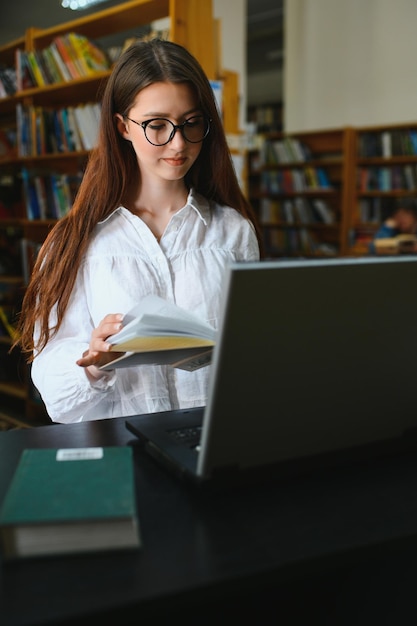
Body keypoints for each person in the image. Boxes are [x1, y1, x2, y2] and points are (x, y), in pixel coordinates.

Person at [14, 39, 262, 424]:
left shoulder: (232, 231)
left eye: (191, 122)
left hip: (215, 442)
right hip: (122, 450)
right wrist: (94, 365)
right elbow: (57, 399)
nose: (178, 143)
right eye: (157, 125)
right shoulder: (77, 241)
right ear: (122, 126)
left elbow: (250, 359)